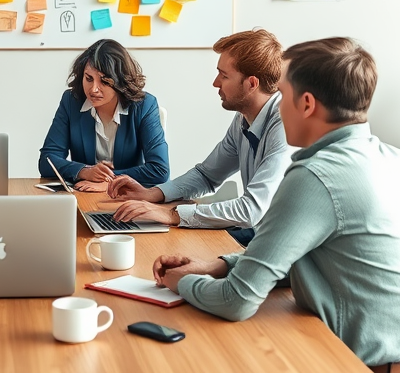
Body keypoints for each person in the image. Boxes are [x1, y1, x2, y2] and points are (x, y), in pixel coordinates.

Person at [151, 38, 400, 373]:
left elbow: (237, 301)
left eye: (281, 95)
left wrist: (178, 282)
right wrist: (215, 265)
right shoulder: (395, 159)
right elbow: (302, 256)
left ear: (306, 104)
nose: (276, 108)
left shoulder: (315, 175)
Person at [108, 29, 292, 245]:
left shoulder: (287, 124)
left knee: (175, 250)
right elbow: (207, 175)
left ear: (252, 84)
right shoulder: (244, 118)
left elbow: (252, 210)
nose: (216, 82)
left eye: (224, 75)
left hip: (282, 246)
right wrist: (153, 194)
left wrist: (172, 215)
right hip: (260, 232)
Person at [38, 39, 169, 190]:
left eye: (105, 82)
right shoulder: (71, 101)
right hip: (85, 195)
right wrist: (84, 171)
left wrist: (109, 181)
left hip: (130, 198)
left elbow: (160, 170)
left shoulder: (144, 105)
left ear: (120, 81)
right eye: (89, 79)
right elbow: (47, 160)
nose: (93, 89)